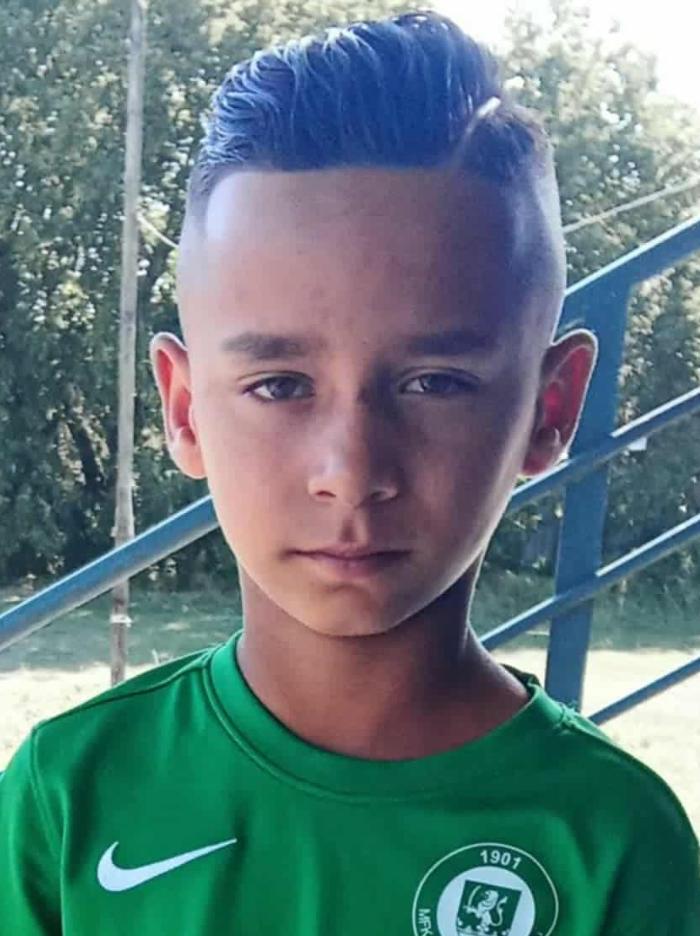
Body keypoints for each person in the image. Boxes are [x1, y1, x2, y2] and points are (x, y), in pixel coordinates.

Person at [1, 10, 698, 935]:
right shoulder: (68, 798)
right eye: (280, 385)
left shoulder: (615, 842)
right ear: (185, 409)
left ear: (551, 408)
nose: (351, 471)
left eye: (435, 382)